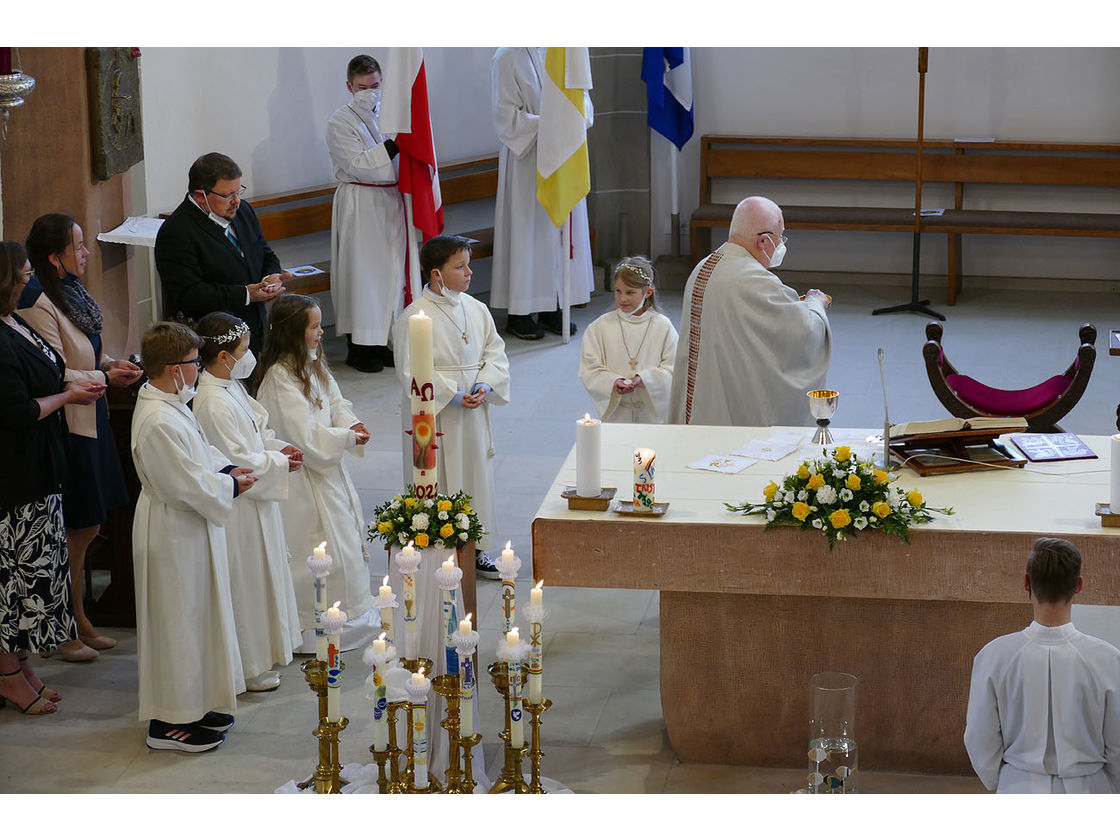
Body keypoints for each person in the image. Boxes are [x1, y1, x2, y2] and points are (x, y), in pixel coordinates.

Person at [21, 213, 143, 663]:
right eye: (78, 245)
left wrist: (110, 364)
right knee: (75, 525)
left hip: (94, 414)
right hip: (68, 425)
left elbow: (88, 346)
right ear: (55, 258)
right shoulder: (35, 301)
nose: (87, 252)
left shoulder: (70, 290)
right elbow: (50, 369)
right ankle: (65, 623)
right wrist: (102, 374)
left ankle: (77, 616)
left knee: (90, 524)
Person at [131, 321, 255, 752]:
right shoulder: (156, 419)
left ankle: (195, 704)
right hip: (171, 531)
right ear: (172, 368)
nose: (199, 371)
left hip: (188, 527)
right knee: (176, 622)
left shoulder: (172, 401)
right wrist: (232, 487)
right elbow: (184, 483)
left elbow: (199, 453)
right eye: (192, 364)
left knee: (196, 616)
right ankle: (168, 722)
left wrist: (226, 470)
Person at [0, 241, 102, 715]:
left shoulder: (14, 320)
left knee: (38, 575)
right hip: (13, 476)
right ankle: (7, 674)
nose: (27, 281)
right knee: (13, 582)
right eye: (20, 275)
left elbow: (49, 368)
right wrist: (67, 398)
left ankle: (23, 666)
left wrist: (83, 378)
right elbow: (16, 411)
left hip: (42, 466)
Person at [255, 294, 378, 652]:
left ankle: (350, 612)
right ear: (295, 331)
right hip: (303, 479)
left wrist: (352, 422)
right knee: (317, 548)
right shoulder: (279, 379)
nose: (322, 333)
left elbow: (335, 401)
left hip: (328, 473)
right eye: (314, 326)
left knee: (344, 543)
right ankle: (313, 626)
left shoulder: (311, 363)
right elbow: (304, 438)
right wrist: (347, 437)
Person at [193, 312, 304, 692]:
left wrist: (277, 447)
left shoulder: (230, 385)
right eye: (243, 349)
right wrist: (277, 461)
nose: (250, 354)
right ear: (223, 356)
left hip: (258, 500)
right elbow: (234, 459)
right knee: (246, 583)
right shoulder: (210, 400)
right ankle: (247, 665)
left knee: (264, 577)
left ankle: (263, 654)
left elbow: (257, 432)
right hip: (238, 509)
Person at [393, 234, 510, 580]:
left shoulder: (476, 309)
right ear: (436, 274)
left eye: (468, 264)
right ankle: (437, 550)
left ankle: (475, 548)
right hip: (436, 416)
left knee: (475, 477)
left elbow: (495, 351)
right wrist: (455, 395)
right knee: (439, 479)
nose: (469, 272)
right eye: (459, 267)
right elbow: (410, 371)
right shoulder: (415, 317)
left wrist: (485, 384)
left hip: (473, 414)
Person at [964, 537, 1120, 794]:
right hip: (1090, 787)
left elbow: (980, 737)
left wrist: (1001, 781)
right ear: (1078, 586)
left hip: (1018, 785)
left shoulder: (994, 656)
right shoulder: (1108, 659)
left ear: (1027, 582)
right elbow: (1117, 743)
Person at [668, 196, 832, 427]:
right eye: (780, 237)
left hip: (702, 397)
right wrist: (815, 303)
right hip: (727, 411)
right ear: (764, 241)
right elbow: (804, 331)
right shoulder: (755, 280)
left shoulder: (703, 267)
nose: (782, 244)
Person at [490, 46, 596, 340]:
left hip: (564, 153)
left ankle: (554, 305)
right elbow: (505, 117)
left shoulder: (565, 51)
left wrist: (569, 122)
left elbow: (583, 101)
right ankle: (520, 311)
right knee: (528, 235)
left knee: (556, 233)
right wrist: (551, 123)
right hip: (528, 159)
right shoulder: (507, 56)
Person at [154, 152, 291, 354]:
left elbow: (263, 251)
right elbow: (189, 294)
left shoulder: (242, 211)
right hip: (214, 344)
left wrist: (270, 276)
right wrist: (246, 294)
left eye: (239, 191)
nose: (236, 201)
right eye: (228, 195)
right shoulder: (177, 232)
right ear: (201, 196)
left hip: (254, 331)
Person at [326, 53, 407, 373]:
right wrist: (394, 144)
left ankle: (381, 340)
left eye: (375, 85)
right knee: (362, 277)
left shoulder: (388, 114)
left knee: (389, 275)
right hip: (360, 203)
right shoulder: (340, 121)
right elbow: (357, 164)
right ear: (349, 86)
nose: (370, 92)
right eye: (362, 87)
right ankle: (358, 347)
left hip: (390, 201)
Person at [579, 256, 678, 423]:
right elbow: (589, 367)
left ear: (648, 292)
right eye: (618, 291)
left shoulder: (663, 326)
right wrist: (613, 381)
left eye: (630, 292)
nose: (622, 299)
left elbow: (674, 368)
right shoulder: (600, 327)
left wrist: (645, 379)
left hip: (650, 414)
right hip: (617, 413)